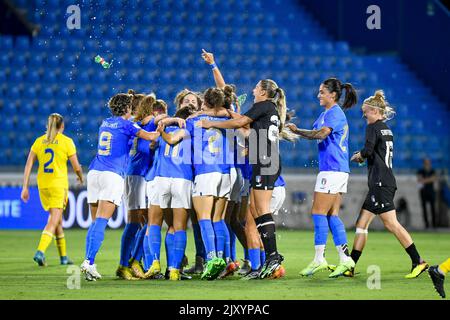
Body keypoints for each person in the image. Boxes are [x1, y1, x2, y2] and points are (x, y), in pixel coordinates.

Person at [199, 79, 295, 278]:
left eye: (256, 87)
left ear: (262, 92)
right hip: (265, 161)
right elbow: (246, 128)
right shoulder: (269, 109)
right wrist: (225, 114)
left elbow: (239, 122)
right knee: (254, 211)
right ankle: (268, 259)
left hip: (266, 161)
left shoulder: (263, 106)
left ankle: (273, 257)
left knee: (261, 210)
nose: (253, 90)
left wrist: (210, 123)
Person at [80, 93, 160, 281]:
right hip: (112, 174)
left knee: (95, 223)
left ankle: (89, 263)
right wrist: (163, 126)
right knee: (101, 221)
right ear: (127, 108)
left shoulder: (105, 122)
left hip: (94, 173)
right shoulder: (127, 124)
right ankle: (88, 262)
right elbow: (150, 136)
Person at [349, 90, 428, 279]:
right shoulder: (386, 128)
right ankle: (350, 265)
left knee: (392, 224)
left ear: (375, 111)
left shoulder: (373, 127)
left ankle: (418, 261)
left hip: (380, 183)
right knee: (361, 224)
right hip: (383, 181)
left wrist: (358, 156)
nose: (364, 115)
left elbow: (368, 151)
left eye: (366, 111)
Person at [287, 77, 358, 278]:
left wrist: (298, 131)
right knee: (331, 215)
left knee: (318, 212)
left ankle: (320, 258)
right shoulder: (327, 113)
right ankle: (345, 259)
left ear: (333, 95)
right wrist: (293, 129)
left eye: (322, 92)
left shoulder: (335, 113)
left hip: (332, 169)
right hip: (338, 170)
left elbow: (320, 134)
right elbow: (316, 131)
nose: (318, 95)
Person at [21, 113, 83, 266]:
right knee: (53, 220)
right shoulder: (67, 142)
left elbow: (28, 165)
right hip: (58, 186)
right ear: (62, 126)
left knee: (58, 221)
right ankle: (40, 252)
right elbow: (76, 166)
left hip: (43, 185)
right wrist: (80, 177)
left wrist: (25, 187)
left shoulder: (38, 142)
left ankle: (63, 257)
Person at [117, 94, 167, 280]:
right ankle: (131, 262)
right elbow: (160, 118)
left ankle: (130, 262)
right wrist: (176, 118)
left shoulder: (135, 125)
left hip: (136, 174)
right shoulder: (146, 123)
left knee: (139, 222)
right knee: (141, 223)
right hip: (138, 175)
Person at [146, 105, 196, 280]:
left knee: (154, 222)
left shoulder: (162, 128)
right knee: (178, 226)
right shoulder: (191, 129)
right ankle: (174, 269)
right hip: (182, 179)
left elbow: (152, 144)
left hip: (161, 178)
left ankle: (154, 262)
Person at [417, 158, 438, 228]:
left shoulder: (432, 171)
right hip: (423, 192)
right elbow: (420, 180)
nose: (427, 163)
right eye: (426, 162)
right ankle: (427, 225)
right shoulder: (421, 171)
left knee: (433, 209)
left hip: (431, 192)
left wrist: (424, 180)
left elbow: (433, 178)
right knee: (424, 209)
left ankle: (434, 224)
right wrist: (429, 179)